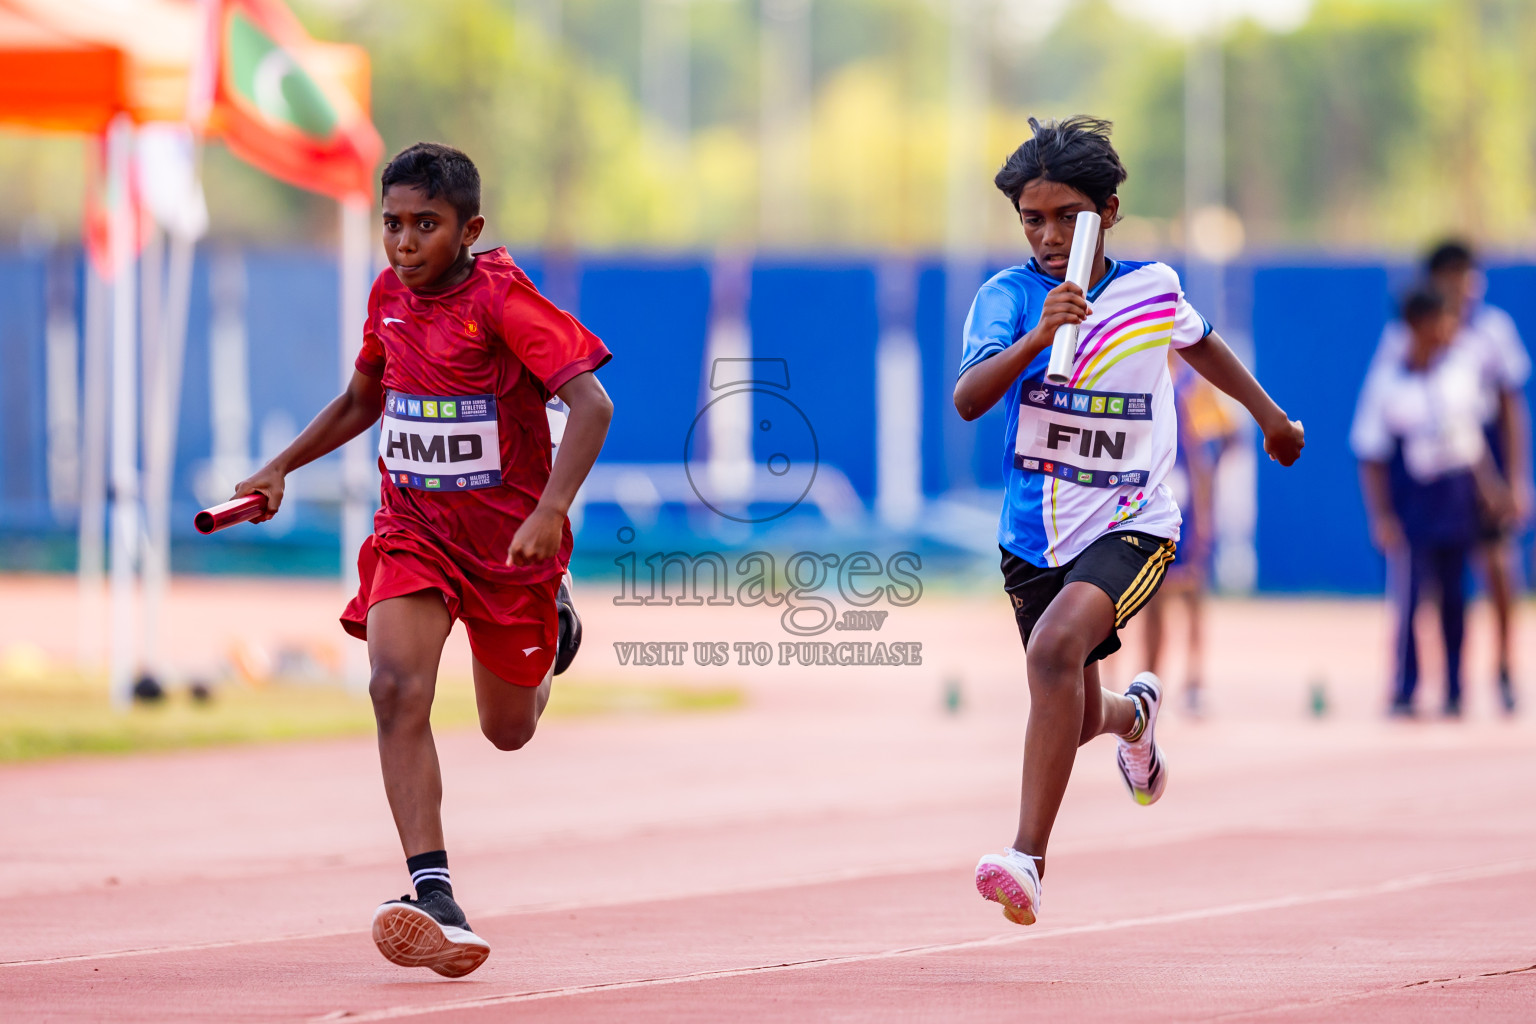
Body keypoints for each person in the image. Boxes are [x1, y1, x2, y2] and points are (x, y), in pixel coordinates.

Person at [233, 142, 613, 976]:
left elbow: (592, 404)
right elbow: (365, 400)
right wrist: (281, 468)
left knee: (507, 731)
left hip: (511, 545)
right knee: (393, 684)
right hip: (414, 531)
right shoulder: (387, 297)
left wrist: (551, 512)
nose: (405, 244)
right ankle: (431, 889)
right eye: (392, 225)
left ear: (469, 228)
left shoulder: (505, 304)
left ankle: (554, 618)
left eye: (426, 227)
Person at [953, 116, 1304, 927]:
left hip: (1135, 520)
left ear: (1108, 212)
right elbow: (971, 400)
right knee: (1071, 710)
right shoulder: (1006, 299)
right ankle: (1134, 716)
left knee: (1053, 650)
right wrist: (1040, 335)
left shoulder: (1152, 288)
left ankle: (1026, 860)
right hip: (1033, 535)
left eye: (1067, 217)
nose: (1047, 235)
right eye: (1031, 219)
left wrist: (1271, 418)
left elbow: (1204, 346)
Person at [1371, 241, 1530, 713]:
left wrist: (1513, 478)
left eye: (1470, 276)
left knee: (1498, 567)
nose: (1467, 287)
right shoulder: (1403, 342)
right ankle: (1413, 681)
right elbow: (1380, 424)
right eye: (1456, 277)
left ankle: (1503, 667)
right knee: (1425, 584)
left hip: (1477, 462)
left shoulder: (1491, 332)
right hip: (1429, 469)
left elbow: (1507, 405)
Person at [1140, 356, 1238, 716]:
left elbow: (1229, 434)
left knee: (1194, 593)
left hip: (1190, 504)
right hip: (1152, 500)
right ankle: (1148, 678)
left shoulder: (1194, 386)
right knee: (1152, 597)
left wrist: (1208, 479)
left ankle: (1194, 682)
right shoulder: (1143, 377)